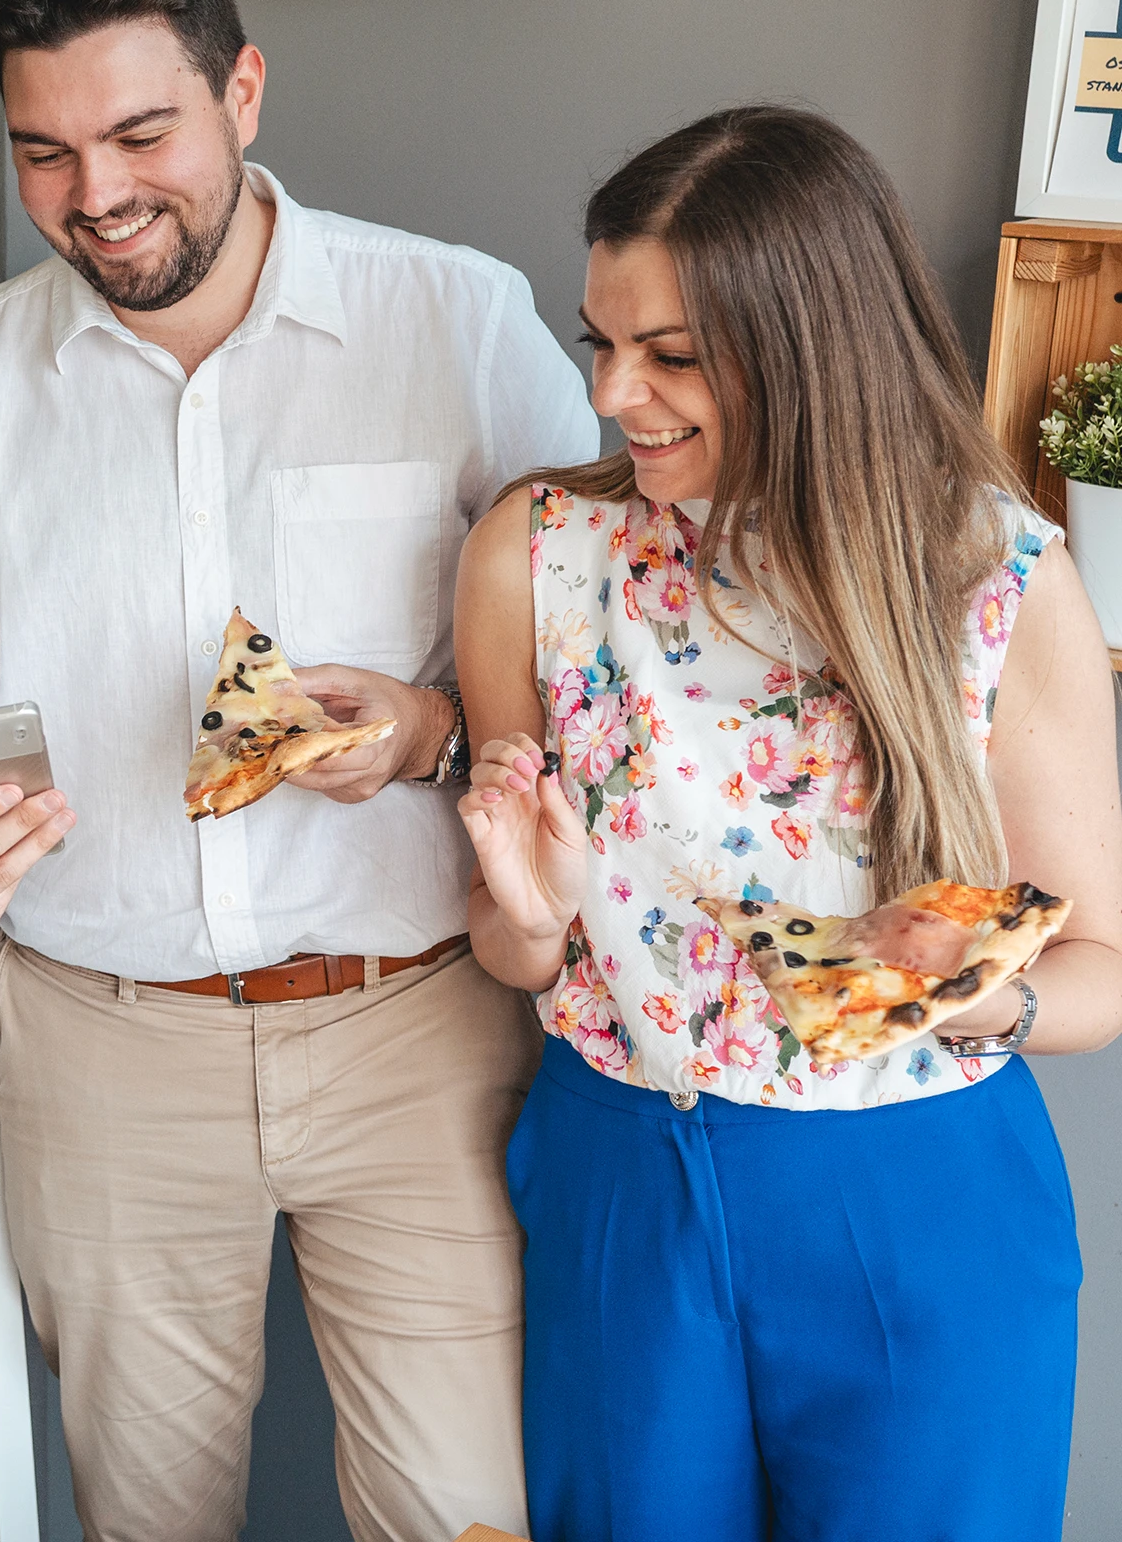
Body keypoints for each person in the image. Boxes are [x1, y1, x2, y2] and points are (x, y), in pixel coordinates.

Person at [0, 0, 595, 1542]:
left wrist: (429, 730)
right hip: (101, 1040)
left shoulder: (456, 323)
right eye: (43, 153)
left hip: (419, 1032)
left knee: (467, 1513)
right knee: (144, 1519)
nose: (96, 196)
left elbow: (598, 670)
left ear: (245, 88)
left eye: (140, 132)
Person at [455, 106, 1122, 1542]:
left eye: (672, 355)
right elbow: (519, 960)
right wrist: (526, 907)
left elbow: (1104, 970)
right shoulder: (535, 554)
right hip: (622, 1173)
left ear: (815, 344)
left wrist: (960, 999)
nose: (612, 395)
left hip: (919, 1200)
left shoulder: (996, 577)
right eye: (600, 343)